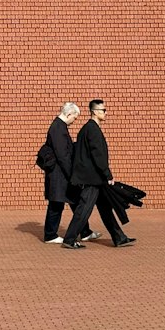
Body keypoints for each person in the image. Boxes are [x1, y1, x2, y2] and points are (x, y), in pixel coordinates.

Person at [62, 98, 135, 248]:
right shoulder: (92, 129)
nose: (106, 112)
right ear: (95, 112)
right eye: (103, 110)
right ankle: (69, 239)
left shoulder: (88, 128)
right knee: (84, 208)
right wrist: (108, 174)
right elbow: (98, 155)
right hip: (92, 178)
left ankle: (119, 237)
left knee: (105, 208)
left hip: (94, 177)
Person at [42, 102, 97, 244]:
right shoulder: (58, 128)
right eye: (74, 117)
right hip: (59, 175)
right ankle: (50, 235)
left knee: (74, 201)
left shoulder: (59, 127)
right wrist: (72, 175)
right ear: (68, 114)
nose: (74, 121)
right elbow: (62, 155)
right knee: (57, 204)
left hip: (60, 174)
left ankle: (84, 231)